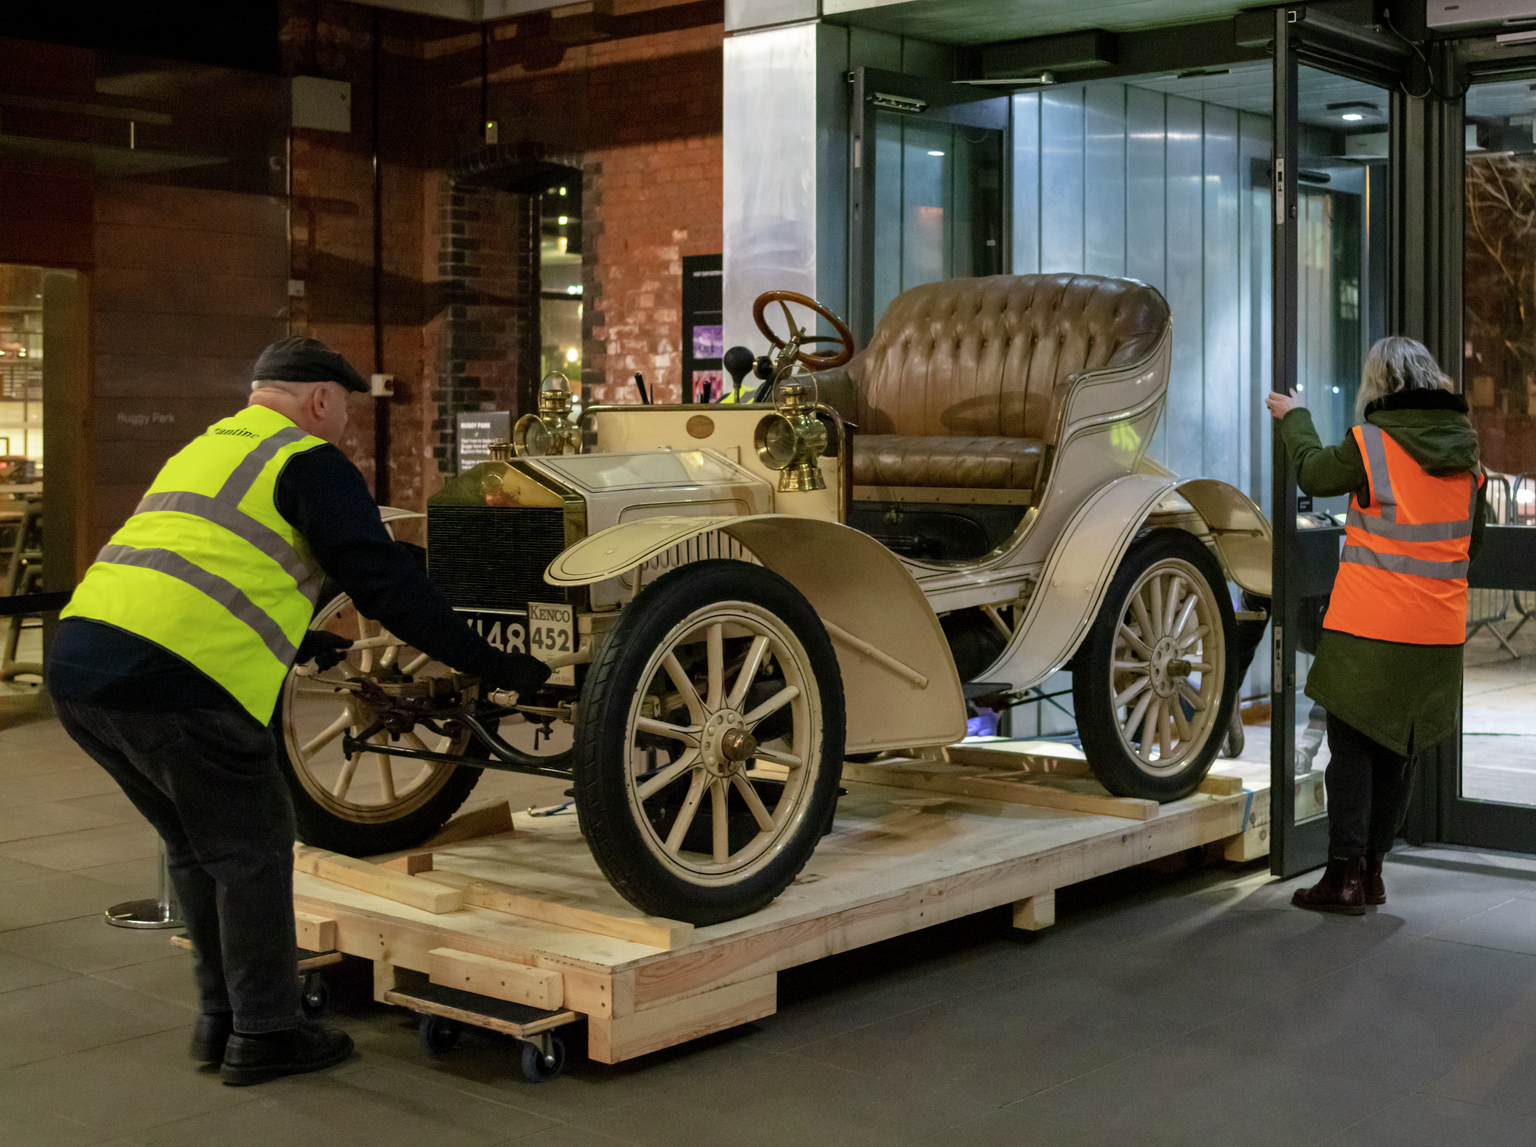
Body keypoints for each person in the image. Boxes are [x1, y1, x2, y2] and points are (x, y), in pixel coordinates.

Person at [46, 337, 551, 1084]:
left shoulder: (208, 449)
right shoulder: (310, 460)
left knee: (197, 848)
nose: (346, 423)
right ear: (320, 399)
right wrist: (496, 665)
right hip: (179, 685)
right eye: (345, 408)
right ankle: (267, 1033)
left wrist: (304, 639)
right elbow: (387, 588)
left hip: (82, 671)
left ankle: (222, 1018)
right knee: (251, 854)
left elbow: (213, 565)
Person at [1267, 336, 1485, 914]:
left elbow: (1314, 471)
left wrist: (1296, 418)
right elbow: (1473, 542)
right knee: (1400, 750)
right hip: (1436, 633)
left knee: (1353, 748)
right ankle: (1373, 872)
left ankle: (1342, 876)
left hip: (1370, 626)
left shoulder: (1373, 443)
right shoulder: (1469, 458)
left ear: (1380, 385)